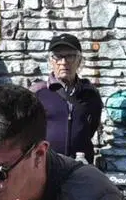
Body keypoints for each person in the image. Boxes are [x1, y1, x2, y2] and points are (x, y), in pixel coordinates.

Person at [36, 33, 101, 163]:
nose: (64, 62)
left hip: (81, 165)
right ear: (50, 61)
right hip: (47, 165)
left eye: (70, 56)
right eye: (58, 57)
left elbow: (92, 126)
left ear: (79, 61)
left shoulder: (90, 94)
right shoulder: (39, 93)